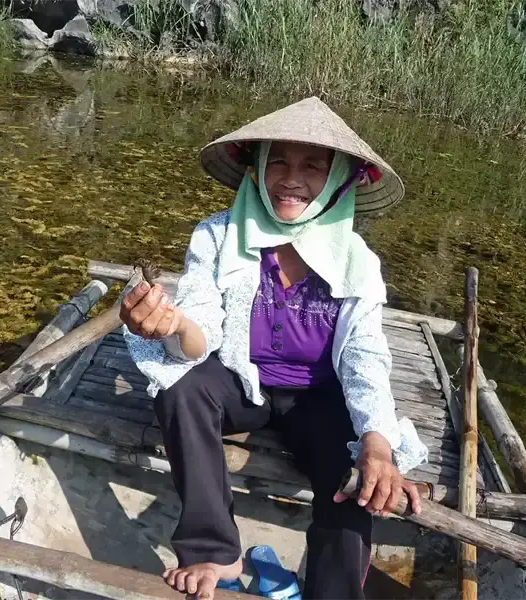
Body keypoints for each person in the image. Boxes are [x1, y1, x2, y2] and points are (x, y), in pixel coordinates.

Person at [119, 97, 429, 600]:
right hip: (244, 385)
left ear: (338, 182)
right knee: (181, 388)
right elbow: (202, 337)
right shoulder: (218, 235)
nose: (291, 178)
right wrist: (172, 326)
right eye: (277, 161)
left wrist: (378, 445)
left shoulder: (357, 261)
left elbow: (365, 358)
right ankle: (215, 551)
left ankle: (334, 591)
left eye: (313, 166)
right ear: (257, 168)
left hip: (317, 400)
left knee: (361, 476)